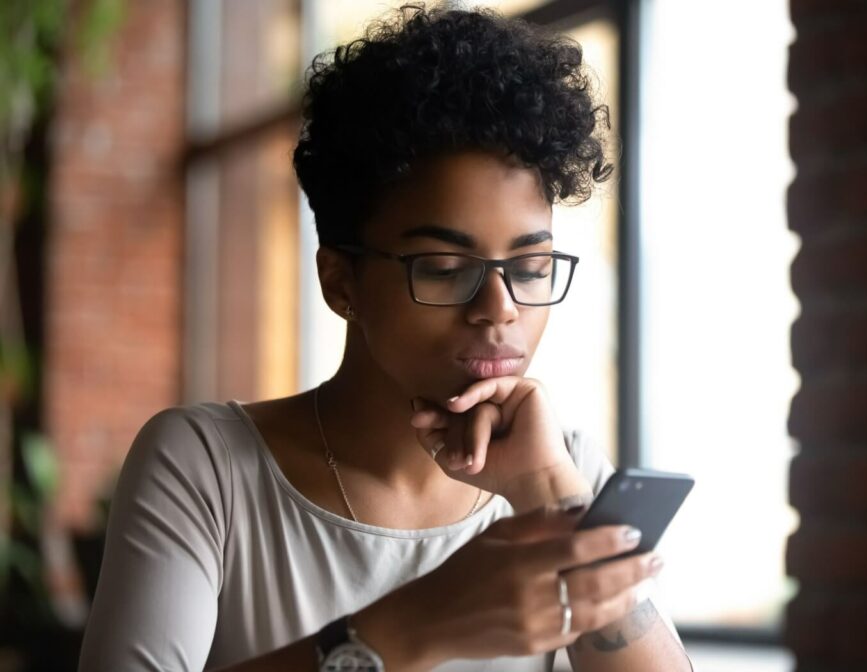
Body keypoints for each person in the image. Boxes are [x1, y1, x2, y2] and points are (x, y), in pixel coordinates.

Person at [78, 4, 692, 671]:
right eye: (446, 268)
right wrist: (410, 628)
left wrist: (549, 490)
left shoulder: (563, 466)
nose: (499, 309)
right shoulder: (207, 469)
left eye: (530, 267)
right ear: (341, 282)